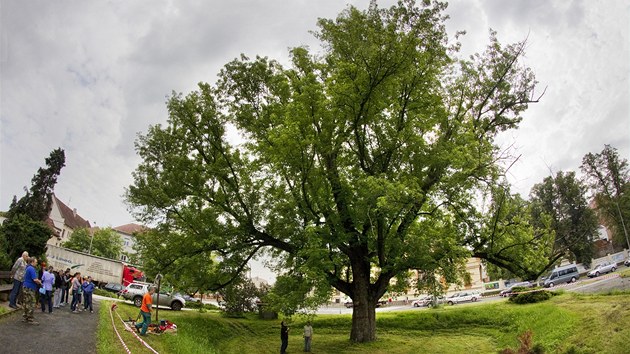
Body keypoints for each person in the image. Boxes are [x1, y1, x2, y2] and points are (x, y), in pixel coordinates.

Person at [22, 257, 42, 324]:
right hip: (30, 288)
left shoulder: (28, 268)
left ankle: (25, 317)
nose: (36, 263)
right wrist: (40, 282)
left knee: (26, 302)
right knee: (32, 302)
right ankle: (30, 318)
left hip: (25, 286)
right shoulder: (32, 269)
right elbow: (35, 279)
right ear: (32, 262)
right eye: (36, 262)